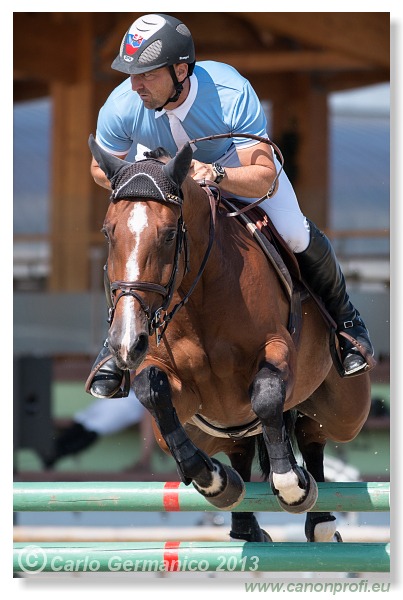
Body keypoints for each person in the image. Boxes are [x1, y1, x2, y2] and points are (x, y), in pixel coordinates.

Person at [87, 13, 374, 399]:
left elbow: (264, 174)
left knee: (293, 232)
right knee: (137, 244)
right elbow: (98, 168)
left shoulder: (228, 91)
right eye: (131, 73)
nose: (135, 84)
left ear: (181, 70)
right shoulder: (123, 103)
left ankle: (346, 324)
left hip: (235, 171)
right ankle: (112, 349)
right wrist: (149, 179)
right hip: (164, 182)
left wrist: (216, 175)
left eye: (146, 74)